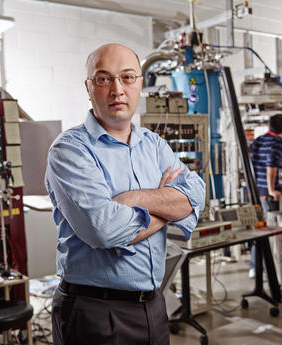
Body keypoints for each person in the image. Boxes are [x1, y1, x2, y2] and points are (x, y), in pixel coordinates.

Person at [44, 43, 206, 345]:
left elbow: (196, 193)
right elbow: (104, 230)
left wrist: (134, 200)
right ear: (89, 87)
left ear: (140, 84)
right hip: (95, 311)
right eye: (104, 79)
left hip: (154, 306)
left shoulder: (154, 144)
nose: (117, 89)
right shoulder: (70, 150)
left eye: (128, 77)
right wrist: (165, 207)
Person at [248, 114, 282, 278]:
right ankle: (264, 269)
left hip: (257, 190)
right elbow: (271, 166)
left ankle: (254, 267)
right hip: (267, 194)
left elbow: (251, 157)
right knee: (269, 231)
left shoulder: (259, 139)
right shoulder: (278, 143)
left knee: (260, 229)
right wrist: (272, 190)